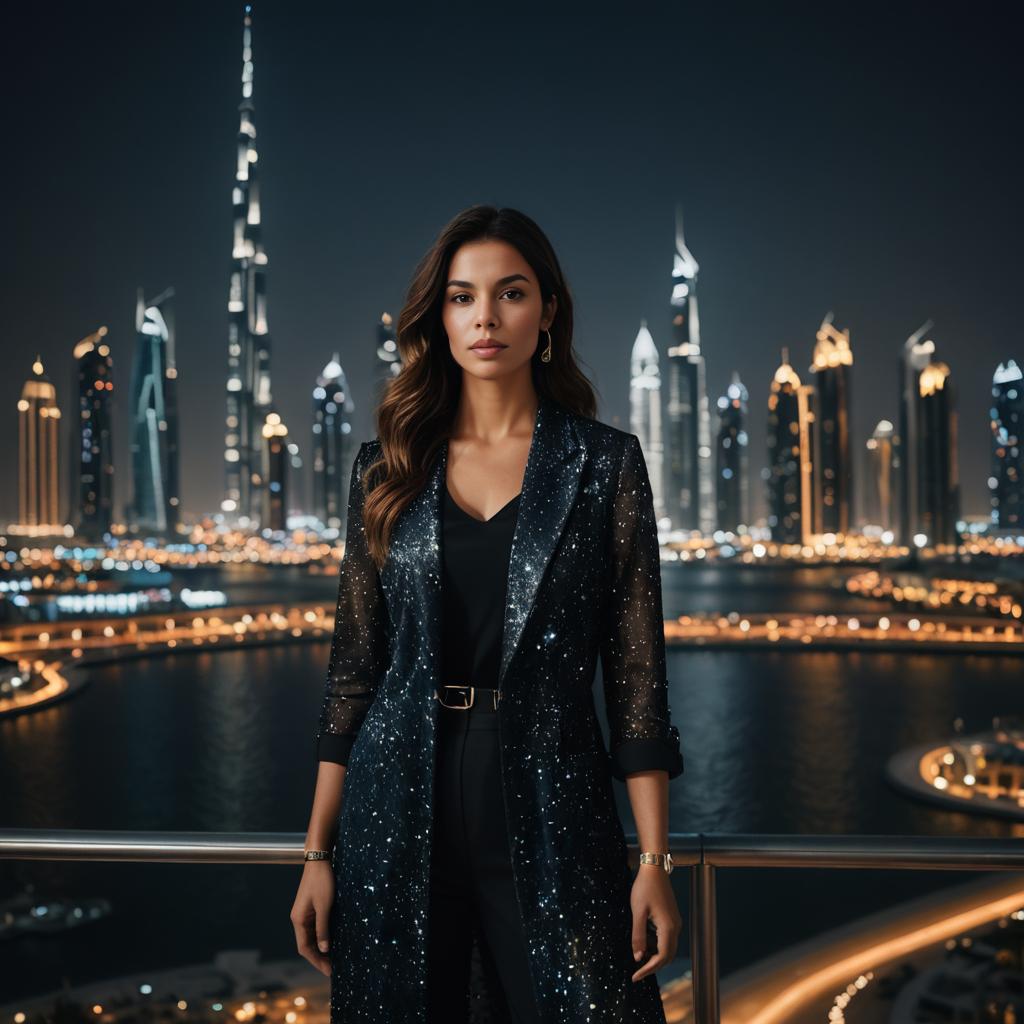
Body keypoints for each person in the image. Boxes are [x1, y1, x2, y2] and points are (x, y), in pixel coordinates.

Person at [290, 205, 685, 1024]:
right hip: (397, 802)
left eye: (510, 294)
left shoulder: (604, 464)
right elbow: (355, 673)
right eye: (463, 297)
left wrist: (652, 859)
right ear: (439, 318)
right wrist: (318, 852)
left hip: (554, 797)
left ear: (545, 314)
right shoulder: (386, 467)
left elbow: (638, 677)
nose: (485, 317)